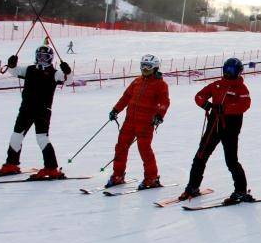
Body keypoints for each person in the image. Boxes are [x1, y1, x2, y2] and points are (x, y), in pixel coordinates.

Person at [179, 58, 251, 204]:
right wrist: (205, 104)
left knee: (231, 161)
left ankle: (241, 190)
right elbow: (199, 95)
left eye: (231, 70)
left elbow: (244, 105)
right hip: (213, 125)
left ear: (238, 71)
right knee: (200, 156)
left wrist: (225, 109)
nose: (227, 73)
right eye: (226, 69)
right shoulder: (217, 84)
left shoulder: (241, 88)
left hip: (230, 127)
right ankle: (193, 187)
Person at [0, 46, 71, 178]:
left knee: (42, 138)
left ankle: (51, 168)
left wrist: (67, 72)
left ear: (50, 58)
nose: (41, 59)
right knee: (16, 136)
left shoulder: (54, 73)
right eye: (39, 56)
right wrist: (12, 64)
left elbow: (67, 79)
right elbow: (14, 71)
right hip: (26, 109)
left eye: (44, 57)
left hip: (43, 111)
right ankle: (11, 164)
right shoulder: (29, 69)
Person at [106, 54, 170, 189]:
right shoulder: (137, 81)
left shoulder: (160, 84)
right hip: (129, 121)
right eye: (142, 66)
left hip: (146, 123)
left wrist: (159, 115)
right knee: (121, 147)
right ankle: (118, 175)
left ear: (155, 68)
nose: (144, 69)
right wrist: (116, 110)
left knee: (144, 150)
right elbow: (126, 97)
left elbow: (164, 102)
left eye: (148, 66)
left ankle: (151, 178)